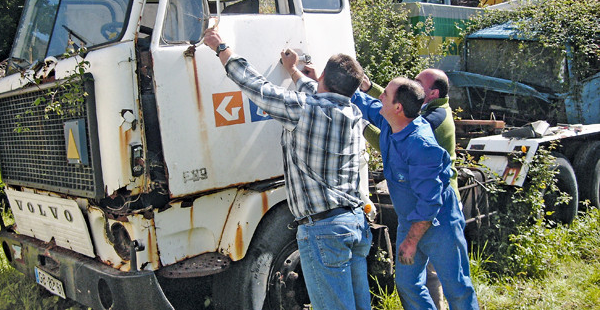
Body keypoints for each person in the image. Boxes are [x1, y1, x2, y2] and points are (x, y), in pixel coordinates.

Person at [202, 28, 372, 310]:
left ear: (323, 79)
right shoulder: (352, 113)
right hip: (354, 224)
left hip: (324, 230)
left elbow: (256, 86)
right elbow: (319, 95)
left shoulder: (304, 111)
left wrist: (221, 48)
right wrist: (294, 72)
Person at [352, 77, 479, 310]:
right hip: (409, 219)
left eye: (385, 95)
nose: (379, 97)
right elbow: (366, 104)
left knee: (458, 289)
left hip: (439, 224)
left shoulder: (421, 145)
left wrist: (411, 241)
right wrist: (333, 82)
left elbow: (430, 203)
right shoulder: (392, 123)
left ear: (398, 108)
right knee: (408, 284)